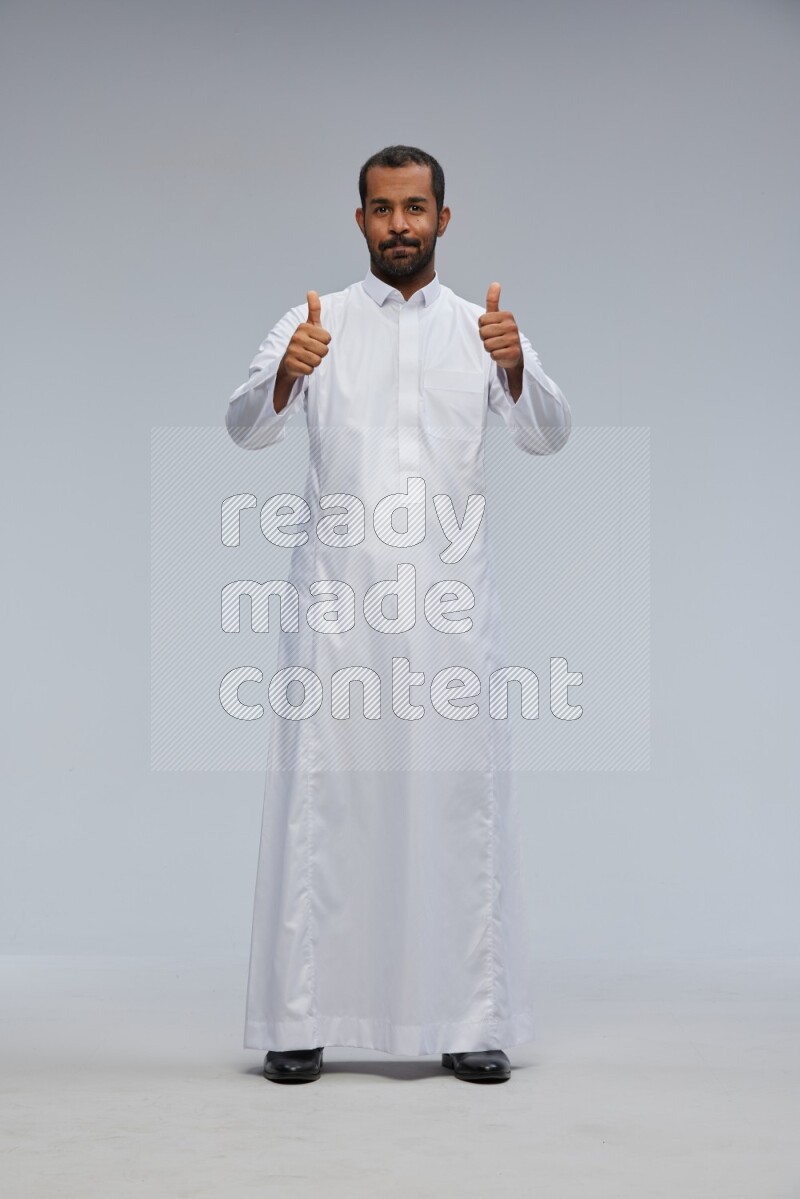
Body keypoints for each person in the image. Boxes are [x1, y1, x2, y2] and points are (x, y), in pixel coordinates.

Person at [225, 144, 571, 1084]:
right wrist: (287, 376)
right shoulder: (319, 322)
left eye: (416, 207)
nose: (399, 225)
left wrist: (515, 370)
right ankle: (299, 1019)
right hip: (340, 605)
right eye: (382, 209)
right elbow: (244, 424)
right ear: (360, 220)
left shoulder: (480, 327)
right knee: (324, 804)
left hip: (450, 613)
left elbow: (548, 433)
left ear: (444, 220)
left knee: (456, 800)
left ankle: (469, 1018)